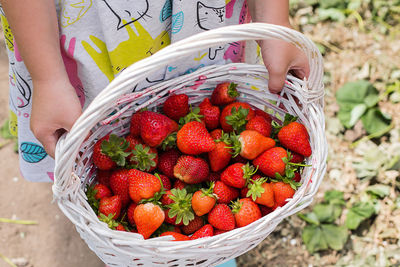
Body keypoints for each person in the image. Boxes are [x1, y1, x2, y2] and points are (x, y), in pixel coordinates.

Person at [0, 0, 308, 265]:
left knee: (200, 106)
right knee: (87, 152)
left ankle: (209, 247)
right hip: (88, 36)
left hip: (203, 32)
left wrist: (274, 22)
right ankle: (130, 248)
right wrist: (48, 78)